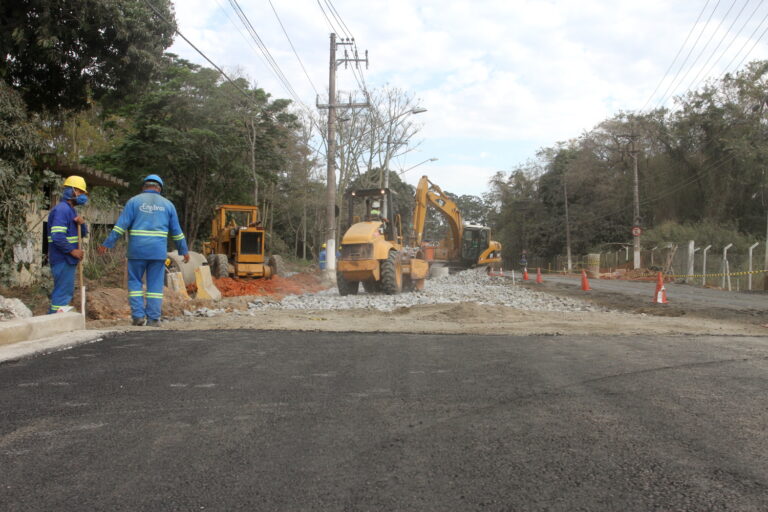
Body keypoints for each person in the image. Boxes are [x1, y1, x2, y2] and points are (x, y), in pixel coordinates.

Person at [98, 175, 189, 327]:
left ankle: (138, 317)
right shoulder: (168, 205)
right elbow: (177, 232)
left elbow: (120, 226)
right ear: (159, 188)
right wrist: (183, 250)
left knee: (134, 282)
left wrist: (107, 244)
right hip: (157, 252)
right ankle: (153, 319)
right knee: (155, 285)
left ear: (144, 187)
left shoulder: (133, 202)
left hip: (137, 251)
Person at [47, 176, 89, 314]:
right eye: (81, 192)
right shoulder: (61, 210)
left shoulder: (72, 211)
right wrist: (73, 251)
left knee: (65, 293)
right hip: (62, 259)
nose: (83, 196)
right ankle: (54, 323)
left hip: (68, 260)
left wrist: (82, 225)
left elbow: (81, 234)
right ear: (73, 191)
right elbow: (57, 237)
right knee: (62, 294)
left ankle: (57, 320)